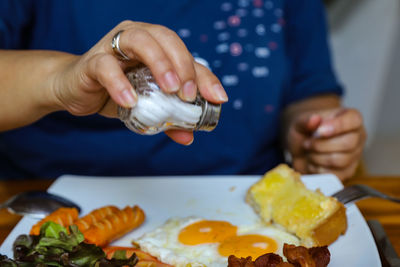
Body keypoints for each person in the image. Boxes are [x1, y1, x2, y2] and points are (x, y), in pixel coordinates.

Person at [0, 0, 365, 180]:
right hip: (56, 204)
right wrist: (61, 78)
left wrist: (318, 134)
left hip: (244, 203)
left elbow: (311, 91)